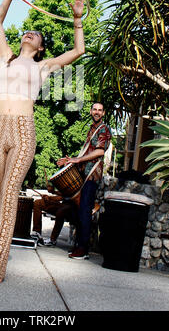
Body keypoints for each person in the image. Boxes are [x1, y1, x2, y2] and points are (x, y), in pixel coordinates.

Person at [0, 0, 86, 283]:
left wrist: (77, 18)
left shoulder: (43, 67)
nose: (29, 33)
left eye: (35, 35)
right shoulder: (6, 58)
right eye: (27, 31)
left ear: (40, 48)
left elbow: (78, 51)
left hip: (24, 130)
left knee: (10, 192)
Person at [57, 102, 111, 259]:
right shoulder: (92, 129)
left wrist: (77, 160)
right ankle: (79, 245)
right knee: (77, 211)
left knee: (84, 212)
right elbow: (86, 152)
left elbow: (100, 151)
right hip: (83, 175)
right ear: (90, 111)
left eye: (100, 110)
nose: (97, 112)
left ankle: (83, 249)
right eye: (95, 109)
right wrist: (69, 161)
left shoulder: (104, 130)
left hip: (92, 176)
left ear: (103, 113)